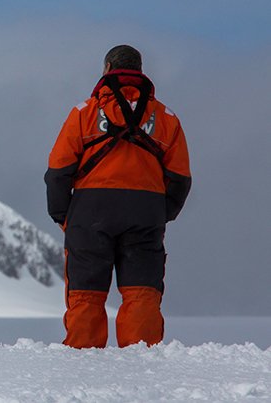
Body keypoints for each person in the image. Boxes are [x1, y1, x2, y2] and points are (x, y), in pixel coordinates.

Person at [44, 44, 191, 349]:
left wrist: (64, 217)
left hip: (90, 211)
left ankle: (83, 361)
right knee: (142, 292)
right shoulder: (166, 118)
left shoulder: (84, 112)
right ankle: (141, 362)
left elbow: (59, 170)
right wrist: (159, 214)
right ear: (139, 71)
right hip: (145, 211)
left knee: (86, 293)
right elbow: (179, 178)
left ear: (108, 68)